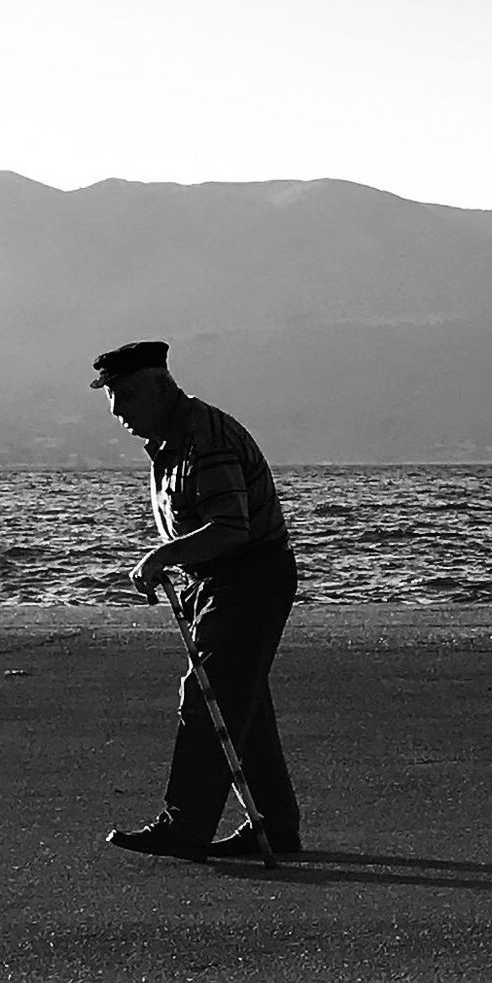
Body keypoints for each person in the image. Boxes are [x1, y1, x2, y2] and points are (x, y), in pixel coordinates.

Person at [93, 340, 302, 863]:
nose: (117, 413)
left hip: (248, 577)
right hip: (218, 581)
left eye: (121, 396)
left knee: (206, 697)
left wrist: (162, 556)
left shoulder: (206, 440)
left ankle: (184, 826)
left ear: (153, 389)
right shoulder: (171, 440)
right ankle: (273, 827)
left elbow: (231, 528)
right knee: (240, 705)